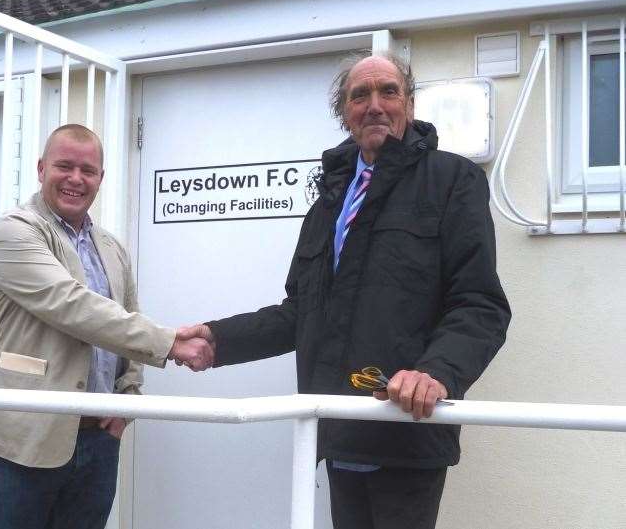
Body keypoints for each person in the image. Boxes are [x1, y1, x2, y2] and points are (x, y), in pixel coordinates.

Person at [184, 53, 511, 529]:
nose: (375, 105)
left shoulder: (453, 181)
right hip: (337, 427)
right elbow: (300, 314)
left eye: (389, 92)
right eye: (360, 95)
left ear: (410, 105)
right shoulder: (329, 204)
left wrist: (435, 372)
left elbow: (480, 304)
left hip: (406, 430)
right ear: (345, 113)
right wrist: (218, 340)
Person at [0, 124, 213, 529]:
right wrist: (171, 343)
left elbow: (127, 317)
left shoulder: (112, 247)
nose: (75, 179)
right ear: (40, 168)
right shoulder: (12, 231)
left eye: (88, 170)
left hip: (98, 441)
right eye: (64, 166)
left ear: (101, 178)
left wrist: (128, 401)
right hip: (26, 438)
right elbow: (72, 306)